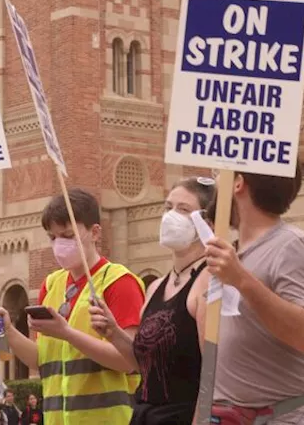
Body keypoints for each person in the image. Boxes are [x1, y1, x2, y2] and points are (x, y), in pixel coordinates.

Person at [0, 189, 146, 425]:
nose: (60, 244)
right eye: (53, 237)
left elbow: (128, 361)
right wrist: (9, 330)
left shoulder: (118, 282)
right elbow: (40, 360)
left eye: (68, 235)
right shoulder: (51, 285)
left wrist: (67, 333)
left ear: (95, 232)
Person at [199, 165, 304, 424]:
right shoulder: (233, 256)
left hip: (290, 416)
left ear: (238, 182)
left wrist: (241, 279)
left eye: (220, 174)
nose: (215, 183)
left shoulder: (292, 245)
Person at [90, 177, 212, 424]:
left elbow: (214, 373)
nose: (170, 217)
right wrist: (114, 333)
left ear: (206, 222)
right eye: (168, 208)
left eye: (183, 209)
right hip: (145, 415)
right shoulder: (156, 287)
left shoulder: (209, 282)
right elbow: (144, 364)